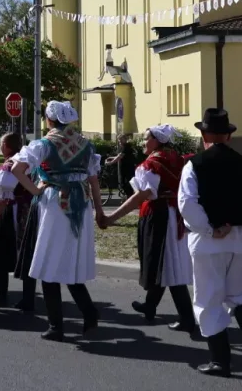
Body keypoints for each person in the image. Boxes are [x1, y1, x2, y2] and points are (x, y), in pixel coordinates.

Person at [178, 108, 242, 377]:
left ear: (203, 134)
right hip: (241, 241)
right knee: (237, 293)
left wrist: (209, 229)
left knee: (208, 299)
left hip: (209, 242)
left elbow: (187, 203)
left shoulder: (195, 164)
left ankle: (221, 360)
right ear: (229, 136)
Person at [10, 100, 103, 341]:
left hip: (54, 203)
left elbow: (17, 170)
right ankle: (89, 314)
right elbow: (93, 180)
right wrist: (99, 211)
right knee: (70, 262)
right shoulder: (86, 145)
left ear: (49, 120)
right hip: (81, 204)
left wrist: (35, 190)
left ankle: (56, 326)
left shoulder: (43, 144)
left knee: (49, 262)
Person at [97, 124, 195, 333]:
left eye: (146, 139)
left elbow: (141, 195)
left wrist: (112, 217)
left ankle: (187, 318)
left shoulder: (151, 164)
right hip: (174, 215)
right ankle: (150, 306)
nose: (143, 142)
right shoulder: (176, 158)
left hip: (159, 216)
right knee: (164, 261)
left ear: (157, 141)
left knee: (168, 264)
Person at [0, 132, 36, 309]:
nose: (0, 147)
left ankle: (1, 294)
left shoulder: (10, 165)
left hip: (13, 212)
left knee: (0, 252)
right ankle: (28, 297)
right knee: (26, 253)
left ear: (6, 146)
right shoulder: (28, 161)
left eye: (1, 144)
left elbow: (3, 198)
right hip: (29, 210)